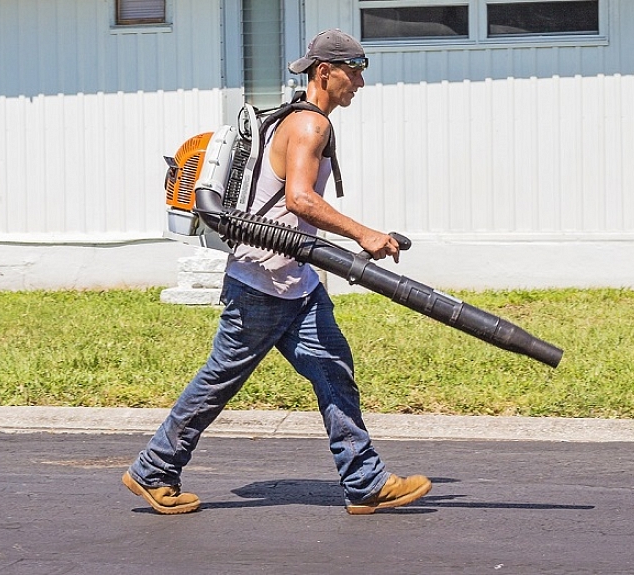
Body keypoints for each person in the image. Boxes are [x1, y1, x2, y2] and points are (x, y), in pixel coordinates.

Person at [123, 29, 432, 515]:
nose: (360, 83)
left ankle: (365, 481)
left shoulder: (291, 119)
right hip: (261, 284)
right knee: (219, 380)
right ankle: (154, 468)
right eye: (355, 71)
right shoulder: (310, 125)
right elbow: (301, 200)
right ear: (325, 72)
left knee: (334, 371)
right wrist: (364, 234)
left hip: (295, 281)